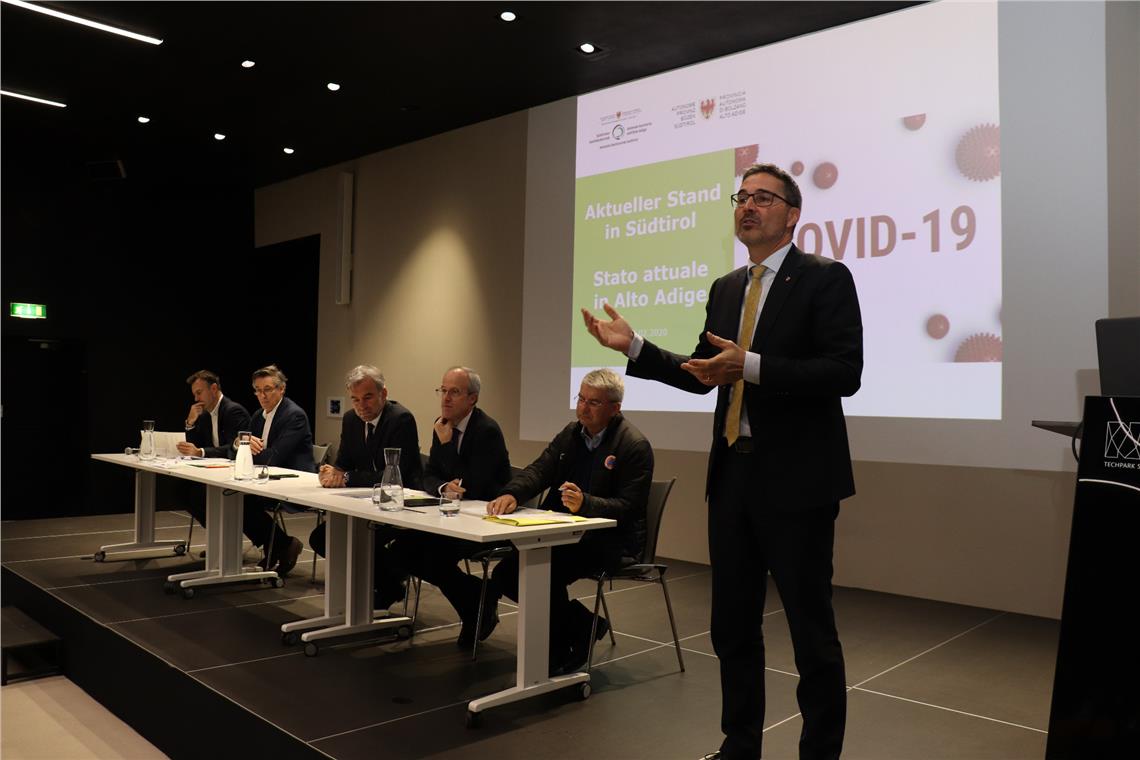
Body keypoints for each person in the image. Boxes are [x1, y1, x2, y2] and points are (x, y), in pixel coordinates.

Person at [582, 163, 863, 760]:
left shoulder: (825, 278)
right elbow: (701, 375)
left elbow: (845, 372)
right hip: (733, 477)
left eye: (764, 198)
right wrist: (634, 347)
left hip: (798, 483)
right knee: (732, 626)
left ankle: (819, 753)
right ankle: (740, 745)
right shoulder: (726, 287)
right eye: (742, 197)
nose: (748, 206)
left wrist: (751, 366)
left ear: (793, 214)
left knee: (811, 632)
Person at [488, 368, 654, 676]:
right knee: (507, 573)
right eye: (581, 398)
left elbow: (630, 508)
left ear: (615, 408)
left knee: (543, 571)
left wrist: (586, 504)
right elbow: (540, 470)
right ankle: (583, 625)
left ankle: (558, 646)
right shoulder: (571, 434)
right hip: (565, 533)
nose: (583, 408)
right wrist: (512, 493)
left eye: (594, 402)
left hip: (610, 541)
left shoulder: (633, 445)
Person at [390, 366, 511, 647]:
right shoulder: (442, 424)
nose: (445, 398)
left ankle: (476, 605)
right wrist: (444, 486)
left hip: (484, 522)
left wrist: (446, 448)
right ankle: (477, 597)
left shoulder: (486, 431)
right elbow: (429, 474)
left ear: (472, 398)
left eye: (454, 392)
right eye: (443, 390)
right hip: (451, 517)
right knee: (402, 549)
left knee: (432, 555)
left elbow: (474, 487)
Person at [309, 365, 423, 610]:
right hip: (363, 503)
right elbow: (344, 463)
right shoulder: (351, 419)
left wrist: (347, 477)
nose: (361, 405)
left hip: (400, 505)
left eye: (368, 397)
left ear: (383, 394)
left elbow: (394, 475)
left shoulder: (400, 419)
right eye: (355, 399)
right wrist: (331, 472)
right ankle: (389, 581)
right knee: (322, 538)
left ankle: (388, 584)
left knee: (358, 539)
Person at [237, 364, 314, 575]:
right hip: (266, 478)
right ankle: (279, 545)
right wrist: (239, 444)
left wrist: (246, 450)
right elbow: (243, 449)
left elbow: (274, 457)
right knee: (232, 498)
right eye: (258, 390)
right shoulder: (258, 416)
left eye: (268, 389)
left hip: (294, 481)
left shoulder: (294, 415)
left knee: (242, 500)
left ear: (281, 389)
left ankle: (280, 545)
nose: (262, 395)